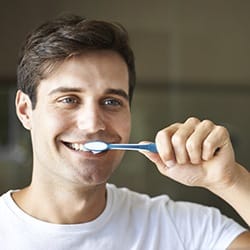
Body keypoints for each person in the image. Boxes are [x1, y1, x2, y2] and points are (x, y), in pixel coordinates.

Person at [0, 14, 249, 249]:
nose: (93, 124)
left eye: (111, 102)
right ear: (25, 110)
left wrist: (230, 181)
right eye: (69, 100)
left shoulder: (181, 229)